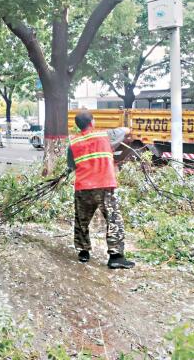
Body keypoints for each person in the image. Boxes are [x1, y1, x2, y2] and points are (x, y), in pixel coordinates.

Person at [68, 110, 134, 269]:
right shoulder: (105, 135)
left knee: (81, 221)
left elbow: (71, 165)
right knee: (113, 219)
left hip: (83, 187)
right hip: (103, 185)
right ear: (92, 122)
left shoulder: (73, 142)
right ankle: (115, 256)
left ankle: (83, 252)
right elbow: (125, 131)